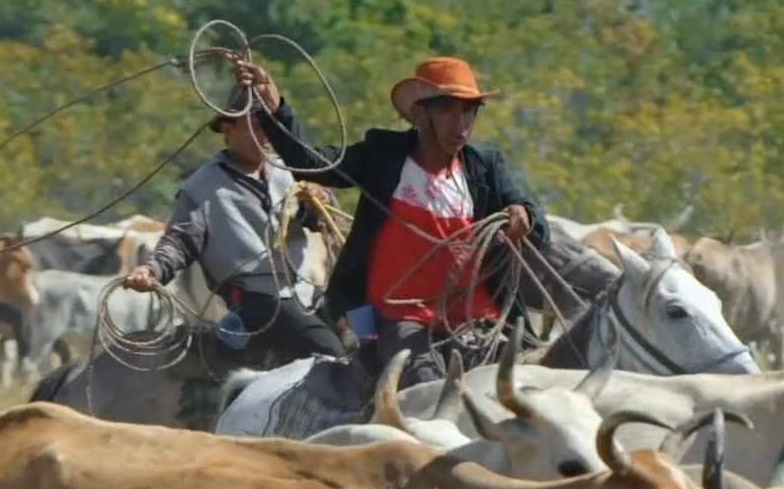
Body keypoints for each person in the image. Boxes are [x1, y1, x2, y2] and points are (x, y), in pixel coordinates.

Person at [237, 56, 550, 385]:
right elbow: (310, 163)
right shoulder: (382, 154)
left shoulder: (485, 166)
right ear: (419, 113)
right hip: (395, 317)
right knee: (426, 390)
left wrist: (523, 214)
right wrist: (273, 106)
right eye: (446, 109)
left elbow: (533, 223)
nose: (460, 124)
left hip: (477, 318)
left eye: (469, 110)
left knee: (535, 388)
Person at [121, 88, 344, 361]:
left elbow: (322, 219)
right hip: (256, 298)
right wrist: (152, 270)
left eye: (271, 129)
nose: (266, 137)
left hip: (307, 291)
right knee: (329, 351)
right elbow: (180, 240)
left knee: (363, 337)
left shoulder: (291, 171)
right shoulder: (203, 187)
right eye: (257, 128)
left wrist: (318, 196)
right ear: (228, 130)